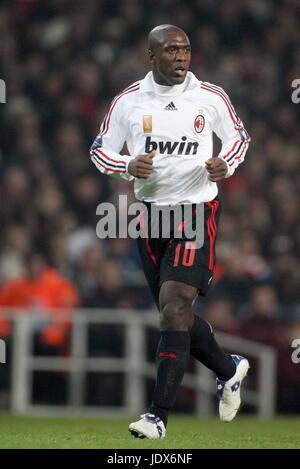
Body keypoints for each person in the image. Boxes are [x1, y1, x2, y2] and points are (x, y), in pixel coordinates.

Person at [90, 24, 251, 439]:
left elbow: (238, 139)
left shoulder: (209, 97)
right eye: (171, 50)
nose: (181, 57)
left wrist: (225, 164)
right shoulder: (129, 101)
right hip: (151, 216)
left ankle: (157, 416)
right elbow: (99, 150)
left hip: (196, 211)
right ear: (151, 56)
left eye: (185, 49)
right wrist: (126, 165)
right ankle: (229, 369)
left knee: (175, 304)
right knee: (173, 314)